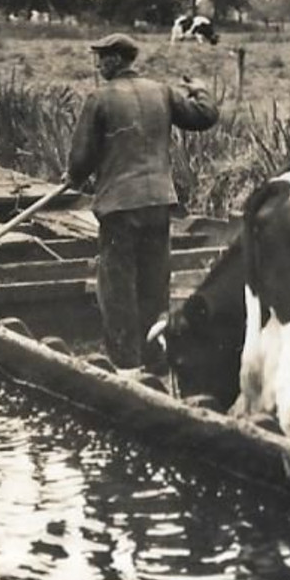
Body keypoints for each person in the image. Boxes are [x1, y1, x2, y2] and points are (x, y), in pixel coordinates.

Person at [66, 33, 219, 375]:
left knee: (118, 285)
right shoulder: (161, 91)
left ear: (118, 60)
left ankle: (126, 367)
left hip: (120, 207)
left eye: (103, 57)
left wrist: (73, 177)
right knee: (154, 281)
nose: (98, 63)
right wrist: (199, 88)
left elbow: (79, 162)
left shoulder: (99, 99)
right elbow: (205, 116)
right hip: (159, 202)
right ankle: (155, 359)